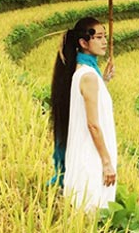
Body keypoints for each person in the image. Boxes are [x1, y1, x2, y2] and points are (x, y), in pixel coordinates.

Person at [50, 17, 117, 212]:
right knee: (93, 218)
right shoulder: (88, 77)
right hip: (92, 160)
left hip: (86, 156)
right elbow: (93, 125)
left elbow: (87, 99)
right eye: (99, 37)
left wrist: (103, 79)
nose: (105, 41)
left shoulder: (83, 72)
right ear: (83, 43)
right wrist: (106, 162)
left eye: (105, 36)